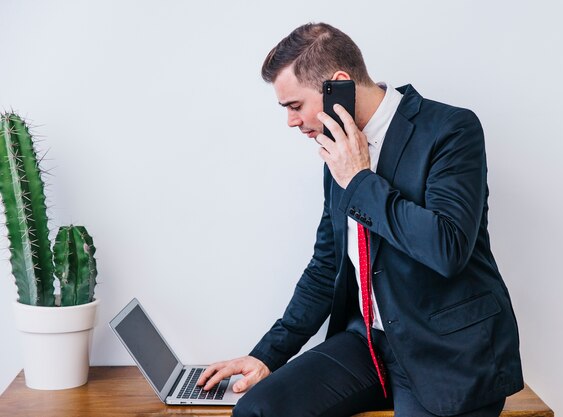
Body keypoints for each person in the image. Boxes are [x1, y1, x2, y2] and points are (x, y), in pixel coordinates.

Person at [197, 22, 524, 417]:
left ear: (338, 84)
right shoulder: (336, 150)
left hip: (448, 354)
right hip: (370, 344)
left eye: (295, 106)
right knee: (256, 411)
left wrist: (359, 179)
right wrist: (267, 355)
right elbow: (327, 265)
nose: (291, 122)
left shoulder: (451, 129)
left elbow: (447, 247)